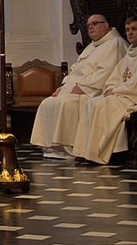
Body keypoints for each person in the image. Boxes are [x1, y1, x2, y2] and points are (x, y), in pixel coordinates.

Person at [71, 16, 137, 165]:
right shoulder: (131, 53)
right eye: (127, 30)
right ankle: (86, 150)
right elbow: (115, 77)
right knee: (91, 103)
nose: (130, 33)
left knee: (105, 105)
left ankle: (112, 152)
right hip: (125, 95)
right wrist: (111, 88)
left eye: (134, 29)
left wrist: (117, 91)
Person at [29, 14, 128, 159]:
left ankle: (69, 147)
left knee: (67, 104)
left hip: (93, 91)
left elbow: (107, 72)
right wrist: (62, 87)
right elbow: (76, 69)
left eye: (94, 24)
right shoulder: (92, 46)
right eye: (88, 25)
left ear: (106, 26)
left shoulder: (116, 43)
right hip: (75, 88)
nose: (90, 28)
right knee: (47, 103)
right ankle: (51, 147)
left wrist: (85, 87)